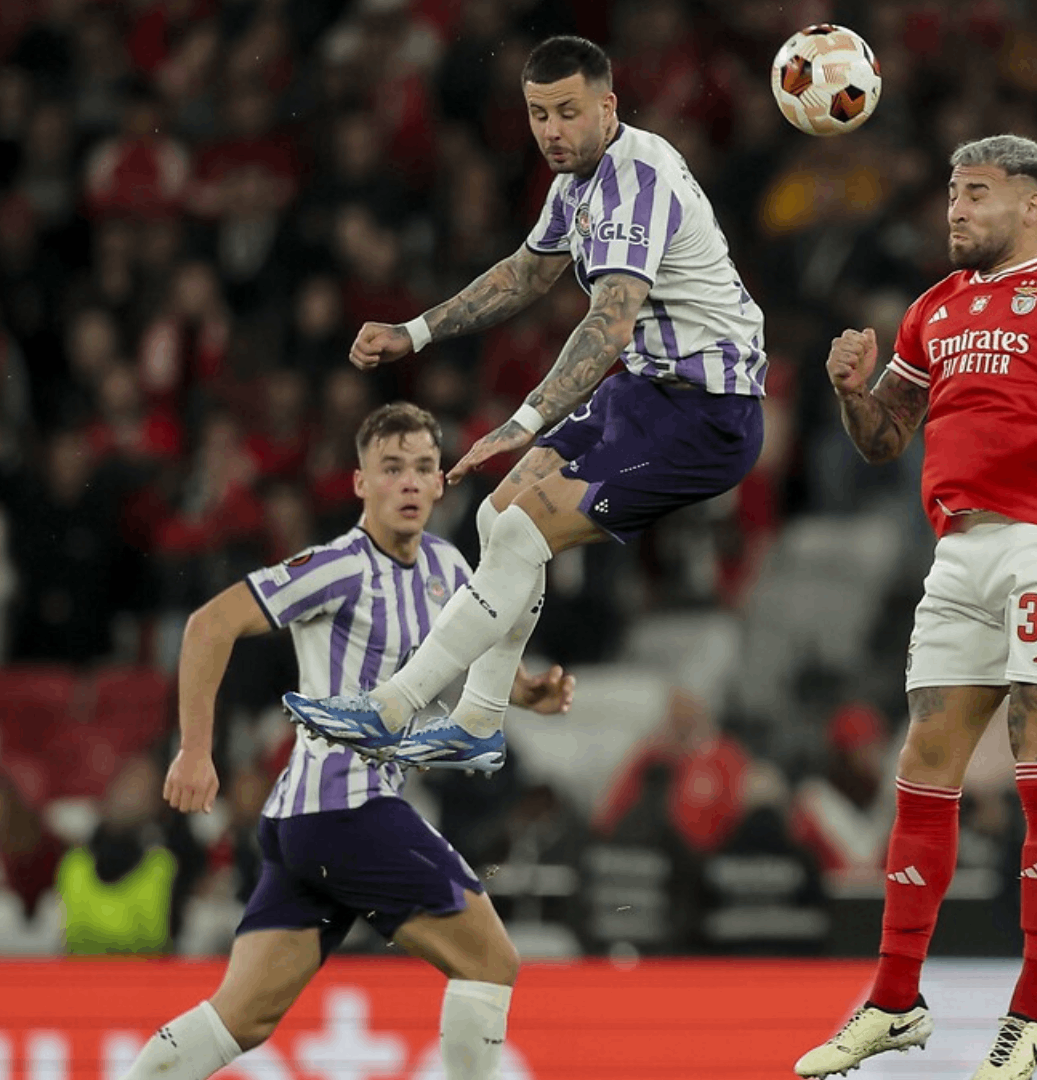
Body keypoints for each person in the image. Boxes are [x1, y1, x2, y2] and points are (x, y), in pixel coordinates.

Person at [281, 34, 765, 770]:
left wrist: (524, 420)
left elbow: (610, 324)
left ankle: (392, 707)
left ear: (608, 107)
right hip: (646, 391)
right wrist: (414, 333)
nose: (551, 131)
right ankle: (478, 720)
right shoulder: (576, 184)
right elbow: (522, 276)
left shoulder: (640, 179)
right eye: (539, 114)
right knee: (497, 515)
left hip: (709, 414)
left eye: (568, 112)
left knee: (523, 531)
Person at [796, 134, 1037, 1080]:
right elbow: (885, 440)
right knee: (923, 764)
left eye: (978, 194)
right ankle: (895, 1000)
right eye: (952, 193)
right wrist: (847, 393)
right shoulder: (933, 310)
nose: (955, 210)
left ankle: (1035, 1010)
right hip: (958, 548)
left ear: (1033, 206)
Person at [116, 403, 575, 1080]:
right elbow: (209, 625)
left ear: (442, 481)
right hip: (344, 808)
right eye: (392, 469)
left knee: (241, 1017)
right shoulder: (337, 567)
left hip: (307, 824)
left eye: (423, 467)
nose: (411, 483)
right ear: (360, 483)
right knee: (490, 962)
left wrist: (526, 690)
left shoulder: (449, 567)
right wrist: (194, 749)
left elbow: (464, 658)